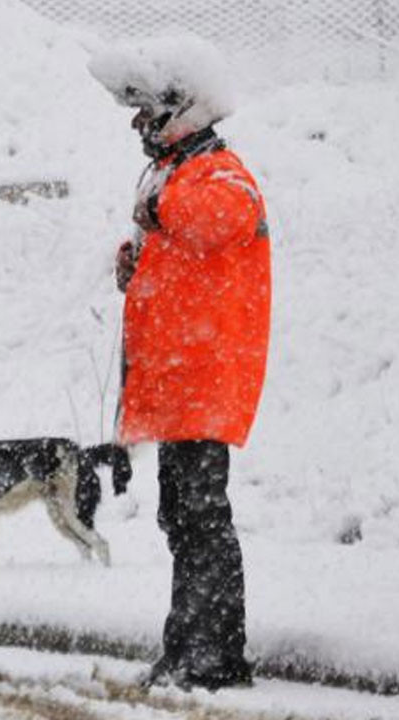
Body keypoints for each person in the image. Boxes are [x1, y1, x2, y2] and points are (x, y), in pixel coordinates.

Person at [89, 35, 271, 691]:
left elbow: (219, 218)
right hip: (179, 382)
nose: (139, 125)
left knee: (200, 517)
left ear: (181, 111)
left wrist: (159, 210)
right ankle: (190, 650)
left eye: (146, 112)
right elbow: (185, 250)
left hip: (204, 379)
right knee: (185, 517)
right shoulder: (177, 175)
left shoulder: (219, 173)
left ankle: (213, 657)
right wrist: (136, 264)